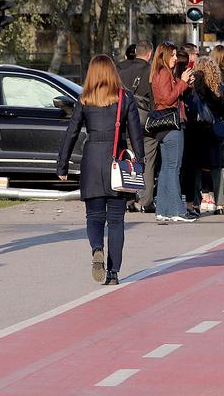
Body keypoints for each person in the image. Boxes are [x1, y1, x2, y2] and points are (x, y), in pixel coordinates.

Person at [57, 55, 146, 285]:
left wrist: (62, 164)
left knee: (94, 217)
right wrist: (140, 163)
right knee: (116, 221)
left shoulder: (85, 99)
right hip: (117, 164)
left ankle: (97, 248)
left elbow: (72, 132)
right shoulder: (125, 98)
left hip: (91, 162)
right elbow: (136, 135)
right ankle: (113, 272)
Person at [149, 42, 195, 223]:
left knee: (166, 169)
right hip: (171, 124)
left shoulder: (160, 73)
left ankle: (163, 209)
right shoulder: (164, 74)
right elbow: (169, 99)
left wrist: (186, 84)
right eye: (173, 55)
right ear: (164, 55)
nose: (176, 58)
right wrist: (182, 82)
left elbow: (173, 95)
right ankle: (176, 209)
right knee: (173, 168)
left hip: (162, 126)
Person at [185, 55, 224, 216]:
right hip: (216, 130)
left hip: (199, 128)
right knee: (216, 168)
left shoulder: (197, 83)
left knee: (197, 167)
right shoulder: (220, 86)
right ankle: (219, 204)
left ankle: (196, 203)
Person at [117, 42, 157, 213]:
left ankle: (128, 198)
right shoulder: (151, 70)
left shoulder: (120, 69)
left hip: (125, 116)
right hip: (145, 118)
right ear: (149, 54)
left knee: (127, 156)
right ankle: (145, 200)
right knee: (147, 157)